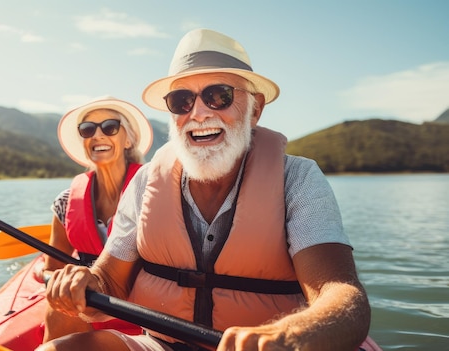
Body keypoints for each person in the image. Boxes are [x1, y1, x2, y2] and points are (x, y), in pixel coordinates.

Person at [39, 29, 382, 351]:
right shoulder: (145, 182)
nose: (199, 113)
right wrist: (87, 281)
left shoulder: (297, 178)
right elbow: (110, 280)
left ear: (255, 109)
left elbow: (340, 294)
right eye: (181, 100)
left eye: (219, 96)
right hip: (160, 344)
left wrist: (289, 336)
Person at [41, 96, 153, 342]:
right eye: (88, 129)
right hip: (91, 304)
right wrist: (66, 283)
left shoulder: (156, 193)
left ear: (129, 139)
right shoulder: (65, 201)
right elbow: (51, 269)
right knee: (57, 310)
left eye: (110, 127)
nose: (98, 135)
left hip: (147, 310)